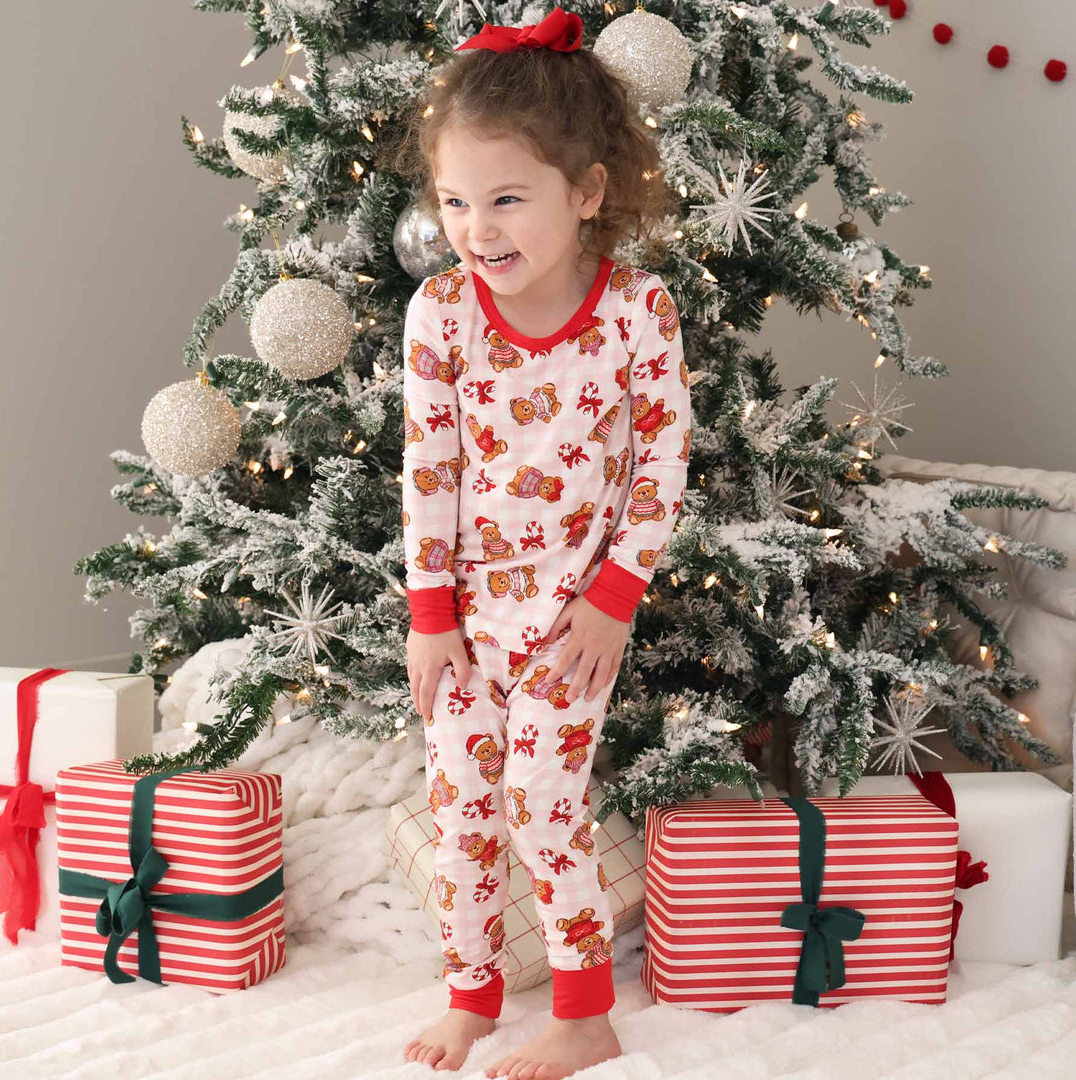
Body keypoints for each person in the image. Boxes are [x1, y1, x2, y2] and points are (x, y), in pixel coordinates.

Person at [388, 7, 690, 1076]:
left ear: (588, 194)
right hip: (465, 624)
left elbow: (660, 468)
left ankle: (584, 1006)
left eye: (507, 198)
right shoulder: (441, 314)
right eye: (455, 200)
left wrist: (613, 599)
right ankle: (470, 993)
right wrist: (429, 620)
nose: (478, 227)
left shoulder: (637, 313)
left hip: (571, 624)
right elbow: (430, 471)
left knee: (538, 801)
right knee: (461, 804)